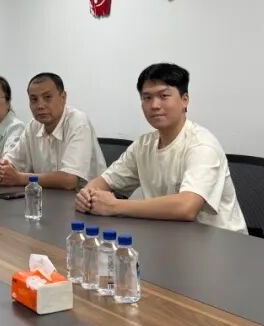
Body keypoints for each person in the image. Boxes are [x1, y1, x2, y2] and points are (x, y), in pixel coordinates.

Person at [75, 63, 247, 232]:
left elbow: (187, 207)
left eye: (164, 96)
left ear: (184, 100)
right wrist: (87, 196)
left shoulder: (202, 145)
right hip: (169, 235)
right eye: (147, 98)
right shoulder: (143, 145)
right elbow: (105, 181)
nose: (155, 105)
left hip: (220, 240)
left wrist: (115, 206)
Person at [0, 72, 103, 190]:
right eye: (34, 99)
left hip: (87, 198)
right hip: (46, 196)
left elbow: (69, 180)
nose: (40, 105)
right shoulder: (33, 126)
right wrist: (1, 169)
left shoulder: (78, 122)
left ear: (63, 97)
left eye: (47, 97)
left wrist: (20, 178)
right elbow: (12, 161)